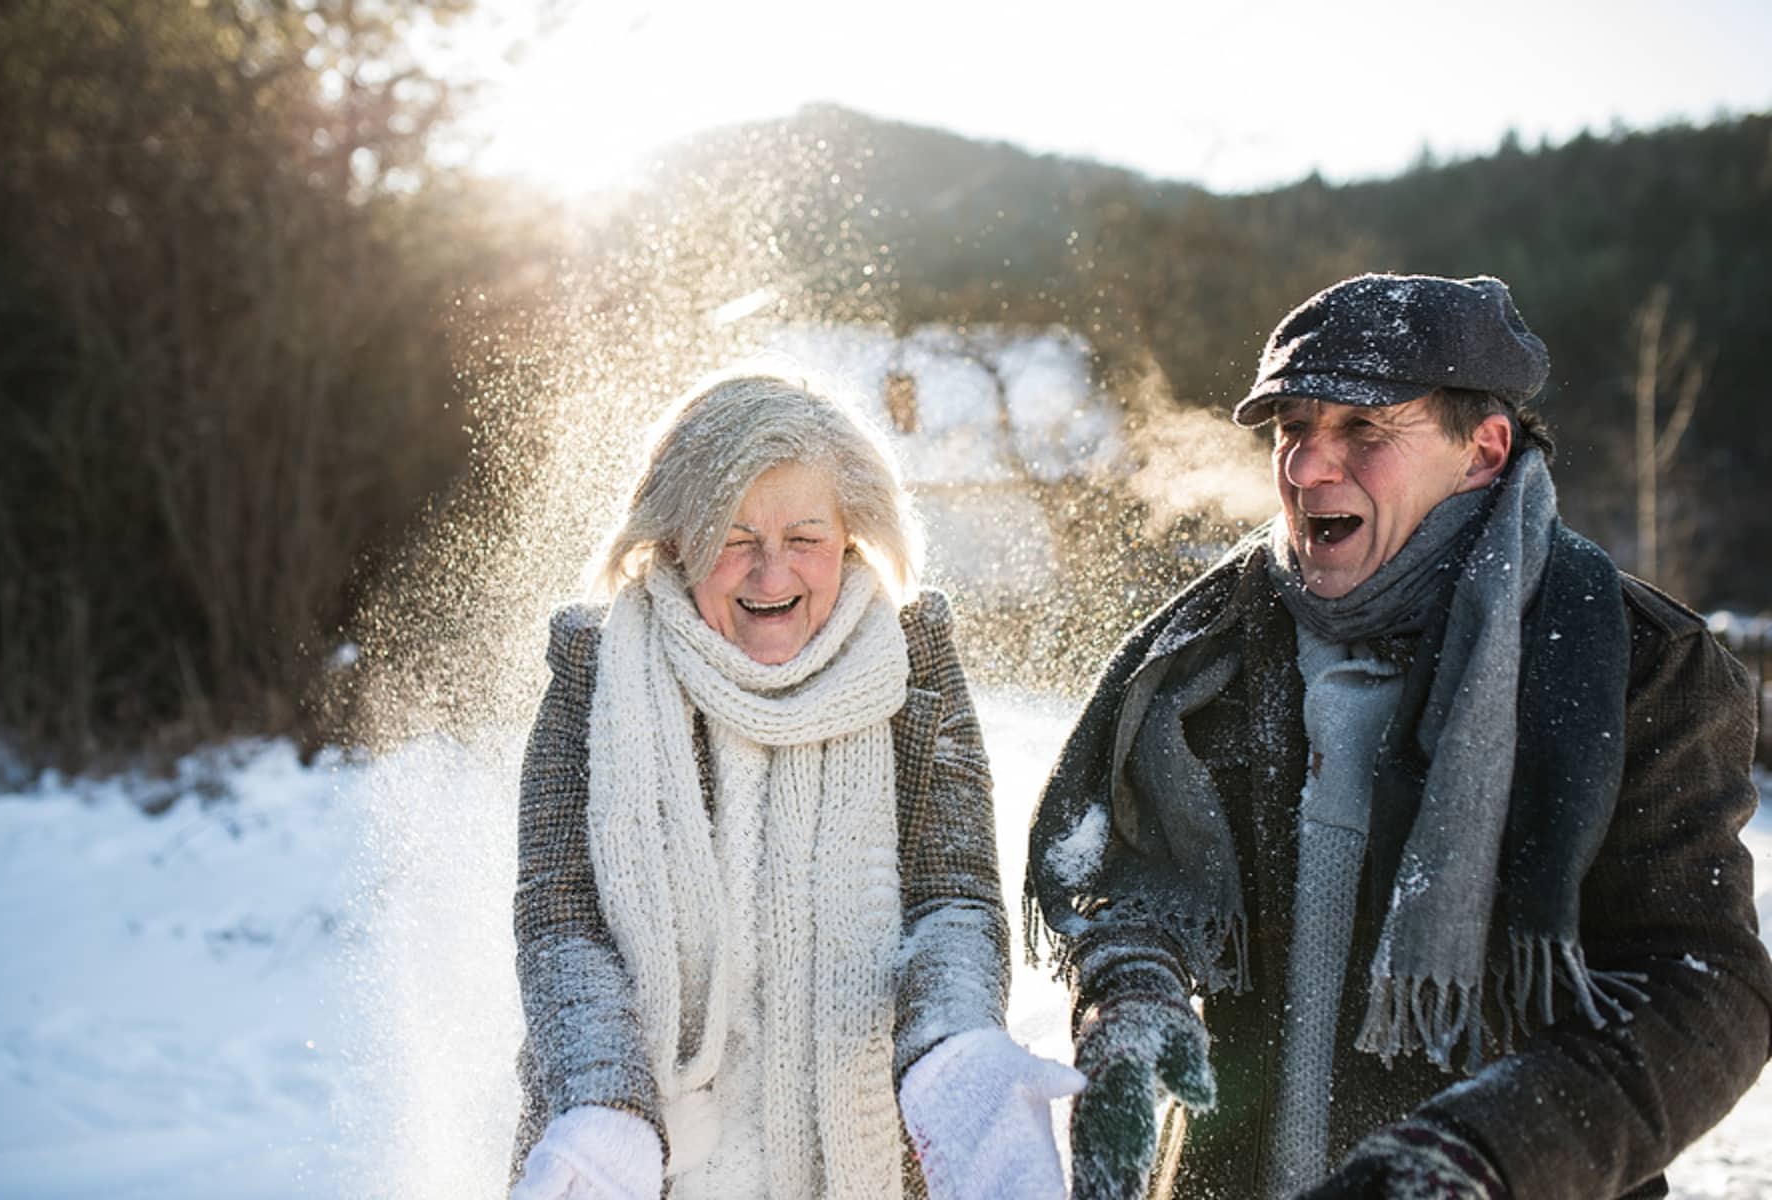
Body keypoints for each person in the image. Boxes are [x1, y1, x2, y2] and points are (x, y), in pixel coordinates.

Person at [1024, 273, 1772, 1199]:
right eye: (1293, 428)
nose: (1306, 467)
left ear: (1483, 450)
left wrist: (1470, 1159)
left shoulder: (1638, 664)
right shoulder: (1209, 653)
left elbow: (1701, 989)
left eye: (1364, 431)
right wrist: (1130, 995)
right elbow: (1132, 884)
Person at [510, 372, 1083, 1200]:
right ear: (674, 539)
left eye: (805, 537)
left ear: (853, 536)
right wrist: (607, 1110)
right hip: (634, 1169)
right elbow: (561, 919)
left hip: (862, 1160)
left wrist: (953, 1053)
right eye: (733, 538)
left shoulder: (911, 665)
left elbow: (952, 899)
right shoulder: (596, 671)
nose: (770, 574)